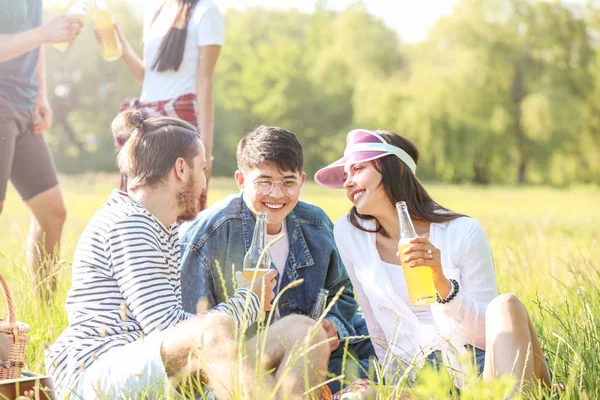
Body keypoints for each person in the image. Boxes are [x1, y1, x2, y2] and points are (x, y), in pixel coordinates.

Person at [45, 111, 331, 400]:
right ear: (181, 169)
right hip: (96, 373)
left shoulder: (162, 226)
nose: (205, 185)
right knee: (215, 328)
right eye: (202, 169)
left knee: (305, 332)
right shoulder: (129, 222)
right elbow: (169, 329)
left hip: (152, 370)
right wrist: (250, 301)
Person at [314, 129, 552, 394]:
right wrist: (391, 387)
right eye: (345, 175)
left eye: (358, 169)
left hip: (483, 366)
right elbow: (375, 325)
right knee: (359, 394)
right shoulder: (350, 233)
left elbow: (490, 335)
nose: (347, 182)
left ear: (398, 170)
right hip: (422, 380)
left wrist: (443, 285)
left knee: (505, 305)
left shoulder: (462, 231)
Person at [180, 125, 377, 393]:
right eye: (264, 181)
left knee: (391, 349)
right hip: (236, 365)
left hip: (308, 358)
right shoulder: (210, 233)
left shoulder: (316, 224)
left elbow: (342, 294)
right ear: (241, 180)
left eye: (288, 182)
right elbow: (190, 327)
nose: (276, 194)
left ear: (301, 180)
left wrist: (334, 327)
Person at [0, 2, 84, 300]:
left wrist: (41, 95)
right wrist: (45, 32)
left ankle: (44, 312)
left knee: (52, 213)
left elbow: (38, 43)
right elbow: (35, 36)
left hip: (24, 105)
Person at [108, 0, 223, 211]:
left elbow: (205, 80)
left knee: (178, 202)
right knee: (140, 199)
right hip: (149, 121)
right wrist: (121, 44)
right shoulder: (155, 9)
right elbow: (146, 75)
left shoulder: (206, 11)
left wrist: (207, 144)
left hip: (181, 120)